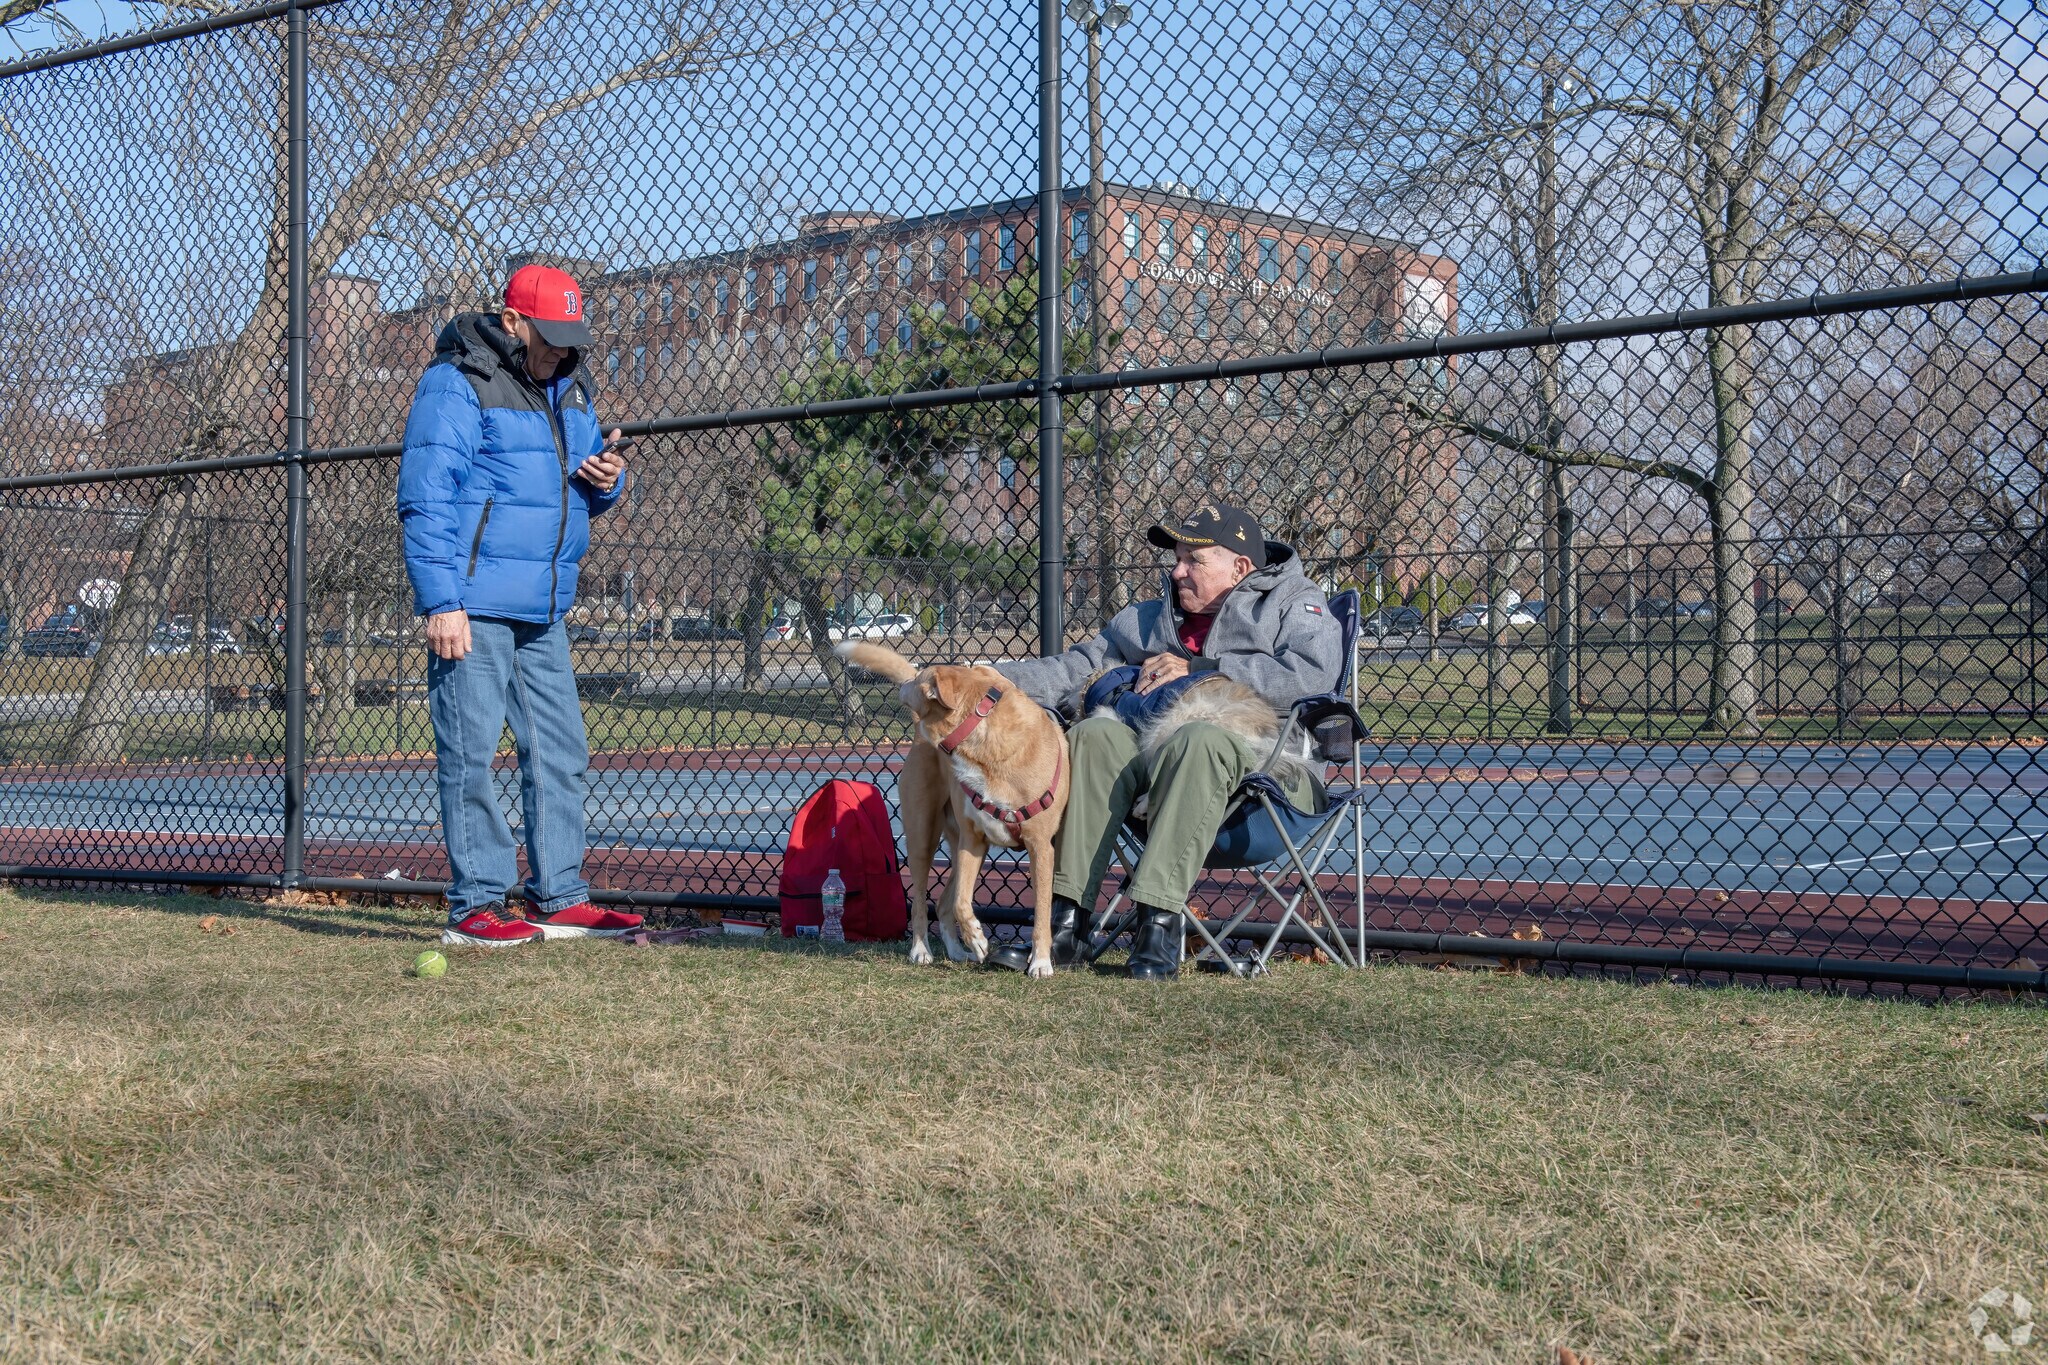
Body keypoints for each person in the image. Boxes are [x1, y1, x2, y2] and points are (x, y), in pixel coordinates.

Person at [398, 263, 645, 947]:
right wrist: (440, 600)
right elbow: (426, 494)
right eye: (551, 335)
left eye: (573, 337)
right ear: (513, 322)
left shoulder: (571, 387)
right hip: (472, 604)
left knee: (560, 750)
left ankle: (558, 894)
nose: (563, 350)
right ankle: (475, 905)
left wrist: (609, 481)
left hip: (544, 606)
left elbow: (584, 487)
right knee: (470, 753)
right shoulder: (459, 382)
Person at [991, 503, 1343, 978]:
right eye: (1176, 559)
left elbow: (1310, 675)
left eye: (1194, 561)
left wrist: (1202, 670)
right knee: (1094, 732)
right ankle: (1066, 925)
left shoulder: (1292, 602)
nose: (1177, 572)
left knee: (1199, 737)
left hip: (1266, 783)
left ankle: (1157, 927)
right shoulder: (1149, 620)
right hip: (1155, 783)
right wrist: (994, 680)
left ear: (1240, 567)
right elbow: (1072, 670)